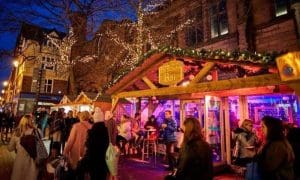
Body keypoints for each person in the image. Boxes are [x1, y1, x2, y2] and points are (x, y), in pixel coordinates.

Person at [7, 114, 39, 180]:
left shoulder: (17, 133)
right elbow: (40, 148)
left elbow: (10, 148)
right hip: (32, 164)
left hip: (19, 163)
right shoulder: (36, 131)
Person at [83, 107, 109, 180]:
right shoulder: (106, 131)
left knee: (94, 176)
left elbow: (89, 146)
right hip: (104, 160)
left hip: (93, 160)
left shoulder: (91, 131)